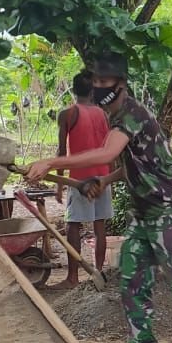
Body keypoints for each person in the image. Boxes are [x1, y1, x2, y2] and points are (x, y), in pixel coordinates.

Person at [26, 53, 172, 343]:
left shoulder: (132, 113)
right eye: (96, 82)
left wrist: (51, 162)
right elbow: (133, 162)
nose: (100, 87)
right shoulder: (116, 117)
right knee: (132, 283)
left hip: (168, 210)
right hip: (143, 215)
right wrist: (104, 181)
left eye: (105, 82)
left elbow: (108, 153)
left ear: (121, 84)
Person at [55, 73, 112, 285]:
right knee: (99, 226)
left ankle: (73, 277)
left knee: (72, 224)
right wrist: (110, 178)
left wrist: (59, 185)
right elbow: (111, 148)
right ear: (93, 92)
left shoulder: (68, 114)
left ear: (73, 89)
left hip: (79, 179)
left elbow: (62, 152)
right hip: (102, 175)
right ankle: (98, 273)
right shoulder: (104, 114)